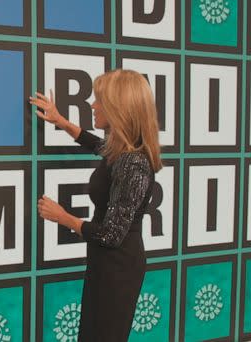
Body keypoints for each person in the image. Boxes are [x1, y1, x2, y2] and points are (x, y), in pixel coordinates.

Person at [29, 69, 162, 341]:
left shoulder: (133, 163)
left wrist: (62, 216)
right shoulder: (122, 152)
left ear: (118, 109)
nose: (92, 105)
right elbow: (98, 145)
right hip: (105, 263)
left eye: (99, 100)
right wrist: (61, 121)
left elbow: (111, 235)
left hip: (118, 268)